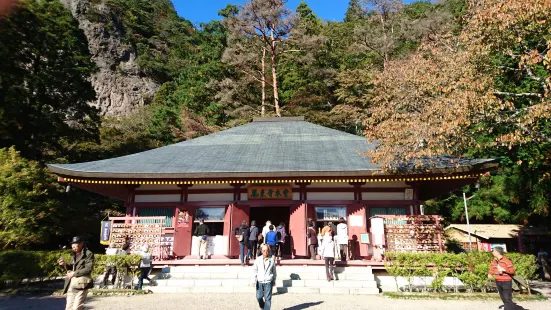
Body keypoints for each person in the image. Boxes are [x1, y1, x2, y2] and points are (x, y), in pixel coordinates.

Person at [58, 236, 94, 310]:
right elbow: (71, 269)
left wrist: (74, 274)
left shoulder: (88, 254)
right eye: (72, 244)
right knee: (68, 308)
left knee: (76, 308)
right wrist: (64, 265)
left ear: (81, 244)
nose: (73, 246)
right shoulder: (73, 254)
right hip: (71, 284)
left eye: (75, 244)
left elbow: (88, 268)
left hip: (81, 284)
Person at [251, 244, 277, 310]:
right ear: (261, 251)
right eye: (264, 250)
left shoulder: (271, 260)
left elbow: (274, 271)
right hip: (260, 281)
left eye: (267, 250)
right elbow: (255, 270)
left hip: (268, 281)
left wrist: (274, 280)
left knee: (268, 299)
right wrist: (253, 280)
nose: (265, 252)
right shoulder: (258, 260)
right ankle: (262, 306)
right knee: (258, 297)